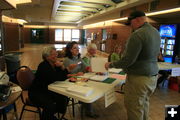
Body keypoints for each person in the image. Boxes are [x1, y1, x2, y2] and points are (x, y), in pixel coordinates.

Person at [105, 10, 161, 120]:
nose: (131, 26)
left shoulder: (137, 34)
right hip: (152, 77)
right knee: (144, 103)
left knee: (134, 107)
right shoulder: (155, 32)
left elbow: (128, 60)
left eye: (131, 23)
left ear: (138, 20)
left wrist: (111, 64)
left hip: (138, 79)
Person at [29, 46, 76, 120]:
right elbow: (57, 78)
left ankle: (50, 115)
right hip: (37, 92)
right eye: (53, 54)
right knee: (50, 105)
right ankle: (48, 116)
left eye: (56, 53)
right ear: (47, 57)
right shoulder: (43, 66)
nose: (56, 55)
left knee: (64, 98)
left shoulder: (54, 65)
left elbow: (61, 78)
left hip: (48, 89)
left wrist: (61, 67)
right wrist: (66, 69)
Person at [63, 41, 98, 118]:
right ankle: (89, 111)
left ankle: (84, 102)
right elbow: (64, 75)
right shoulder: (66, 60)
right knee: (87, 89)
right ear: (70, 50)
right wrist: (76, 74)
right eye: (75, 48)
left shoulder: (78, 58)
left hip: (80, 80)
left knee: (93, 84)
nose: (77, 49)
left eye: (78, 47)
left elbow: (86, 67)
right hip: (71, 82)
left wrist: (97, 69)